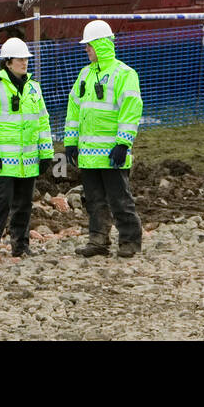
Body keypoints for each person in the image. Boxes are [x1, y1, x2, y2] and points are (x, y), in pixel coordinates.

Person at [64, 19, 143, 257]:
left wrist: (123, 143)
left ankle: (129, 241)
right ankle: (98, 240)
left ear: (101, 45)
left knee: (120, 199)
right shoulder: (85, 75)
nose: (86, 49)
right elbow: (74, 109)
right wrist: (70, 141)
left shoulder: (124, 74)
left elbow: (131, 110)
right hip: (89, 155)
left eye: (89, 45)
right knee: (94, 201)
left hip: (111, 154)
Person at [0, 37, 53, 258]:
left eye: (26, 58)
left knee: (24, 204)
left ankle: (21, 245)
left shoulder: (34, 89)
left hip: (28, 161)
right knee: (2, 202)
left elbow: (42, 121)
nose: (25, 62)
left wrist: (46, 152)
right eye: (20, 59)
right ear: (8, 62)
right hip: (5, 160)